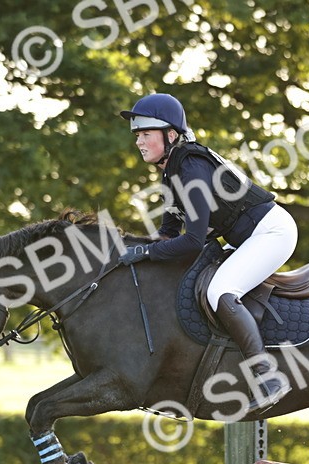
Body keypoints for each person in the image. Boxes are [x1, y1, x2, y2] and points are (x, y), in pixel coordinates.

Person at [118, 93, 296, 412]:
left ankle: (268, 377)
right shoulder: (172, 173)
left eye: (146, 134)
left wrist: (145, 252)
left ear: (170, 135)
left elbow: (192, 242)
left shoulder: (190, 167)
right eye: (137, 136)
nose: (139, 142)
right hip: (247, 236)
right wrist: (129, 247)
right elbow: (167, 235)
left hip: (272, 232)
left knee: (220, 290)